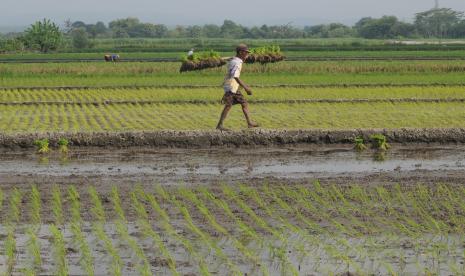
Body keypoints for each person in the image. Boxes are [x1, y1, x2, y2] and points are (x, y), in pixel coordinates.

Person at [216, 44, 259, 131]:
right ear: (240, 52)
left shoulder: (234, 60)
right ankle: (220, 125)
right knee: (228, 105)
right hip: (231, 86)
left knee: (244, 103)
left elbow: (229, 58)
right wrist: (246, 88)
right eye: (246, 53)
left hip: (233, 86)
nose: (247, 55)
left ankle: (249, 123)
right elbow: (236, 76)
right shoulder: (237, 63)